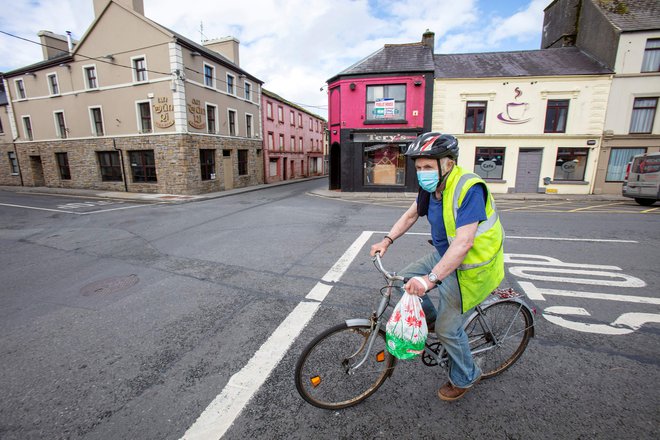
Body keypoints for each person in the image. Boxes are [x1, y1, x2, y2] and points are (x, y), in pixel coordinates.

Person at [370, 132, 505, 401]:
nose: (422, 172)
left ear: (448, 164)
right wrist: (387, 240)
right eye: (419, 167)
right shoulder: (431, 188)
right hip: (445, 256)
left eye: (428, 167)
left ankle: (466, 376)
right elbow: (411, 215)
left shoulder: (469, 188)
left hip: (471, 268)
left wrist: (429, 280)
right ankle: (430, 319)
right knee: (402, 278)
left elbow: (464, 243)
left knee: (448, 331)